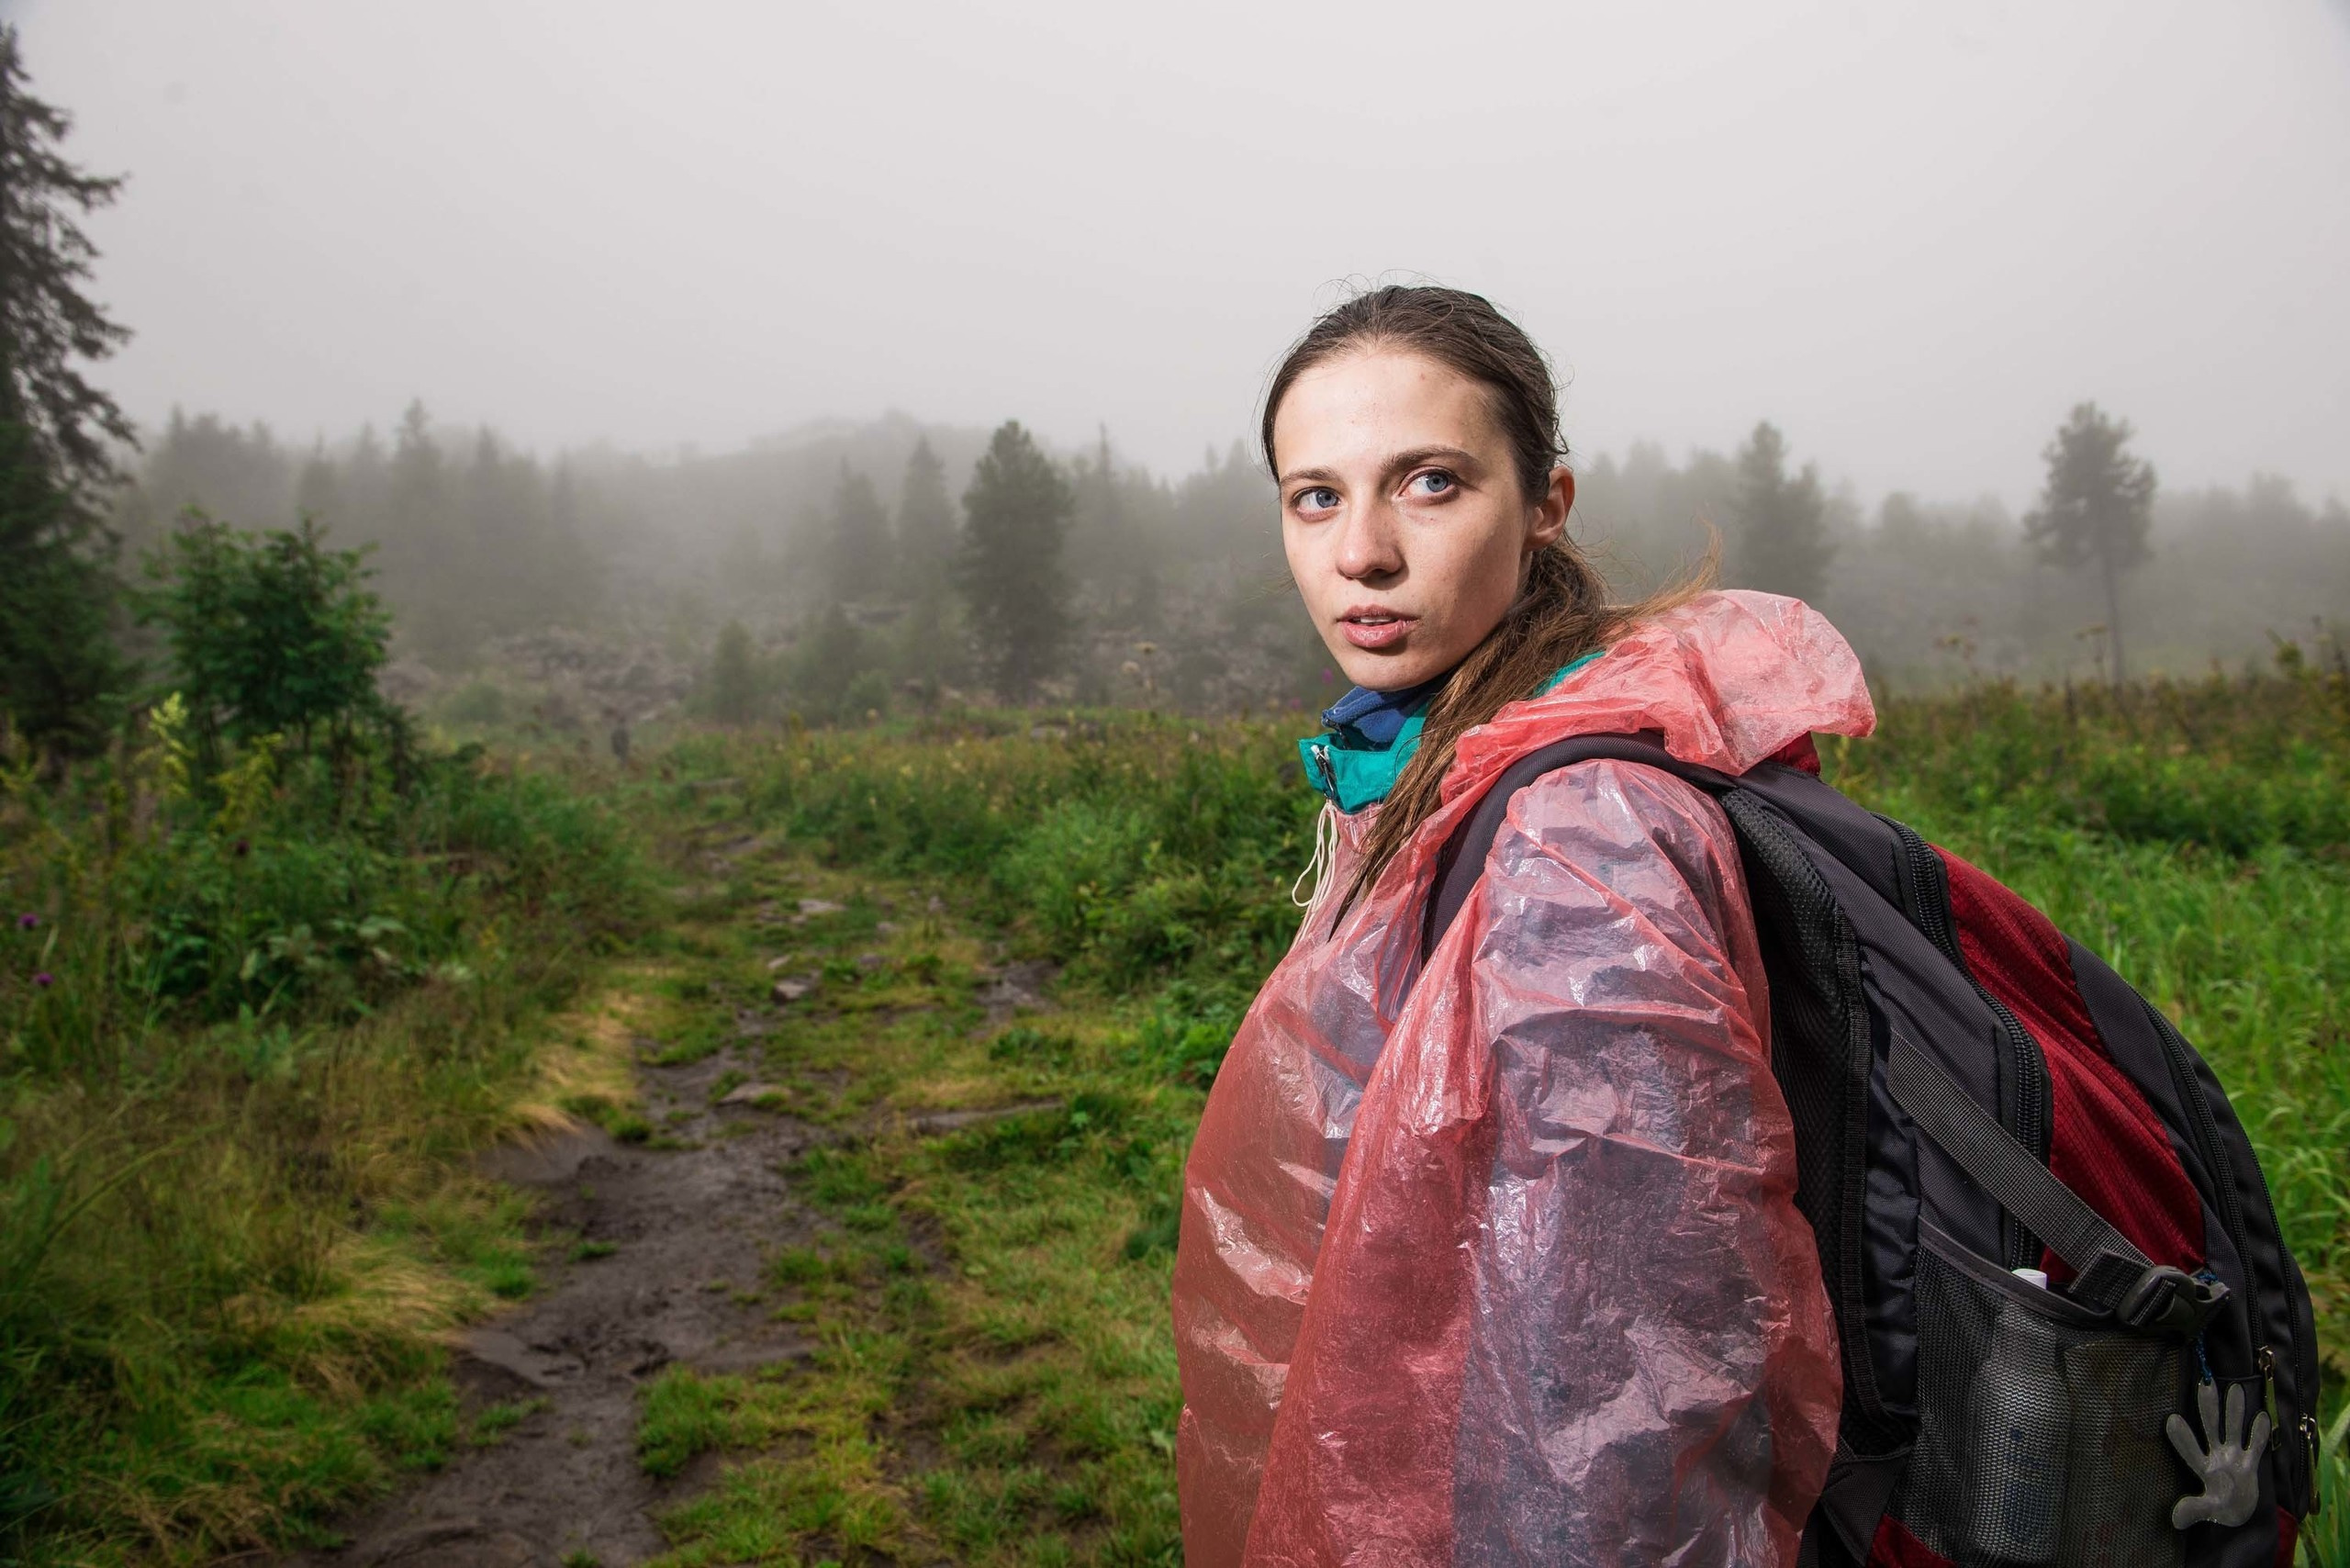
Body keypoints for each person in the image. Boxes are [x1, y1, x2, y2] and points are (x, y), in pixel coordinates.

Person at [1172, 286, 1871, 1565]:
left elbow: (1621, 1380)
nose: (1362, 553)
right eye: (1314, 495)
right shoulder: (1441, 758)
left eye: (1430, 483)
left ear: (1547, 503)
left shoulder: (1580, 837)